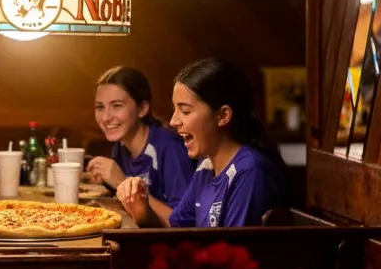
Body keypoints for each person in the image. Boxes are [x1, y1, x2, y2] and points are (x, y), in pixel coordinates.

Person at [117, 58, 285, 228]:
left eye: (185, 111)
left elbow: (232, 253)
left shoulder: (250, 173)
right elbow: (175, 227)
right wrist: (141, 210)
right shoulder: (205, 166)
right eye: (175, 109)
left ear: (222, 115)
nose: (174, 121)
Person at [89, 66, 196, 224]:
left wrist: (120, 181)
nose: (106, 117)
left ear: (142, 108)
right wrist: (105, 179)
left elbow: (185, 225)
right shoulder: (120, 146)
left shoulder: (169, 148)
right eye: (100, 107)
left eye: (117, 105)